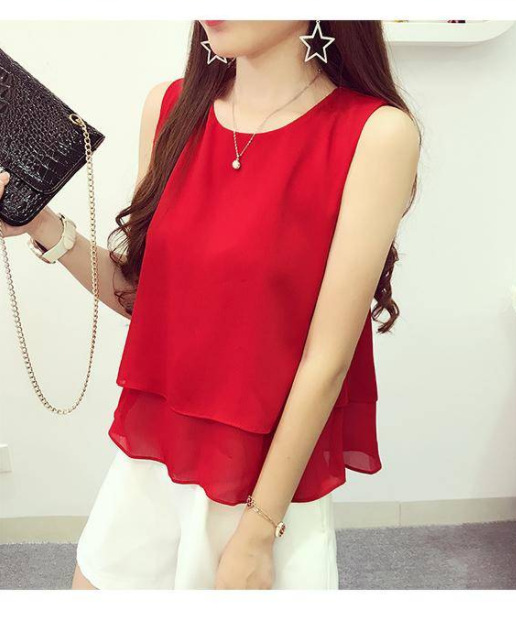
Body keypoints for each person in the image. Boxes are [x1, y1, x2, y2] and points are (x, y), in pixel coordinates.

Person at [0, 19, 420, 590]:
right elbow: (145, 298)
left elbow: (327, 360)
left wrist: (259, 532)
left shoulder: (375, 134)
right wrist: (42, 224)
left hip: (264, 486)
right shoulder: (170, 108)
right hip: (152, 461)